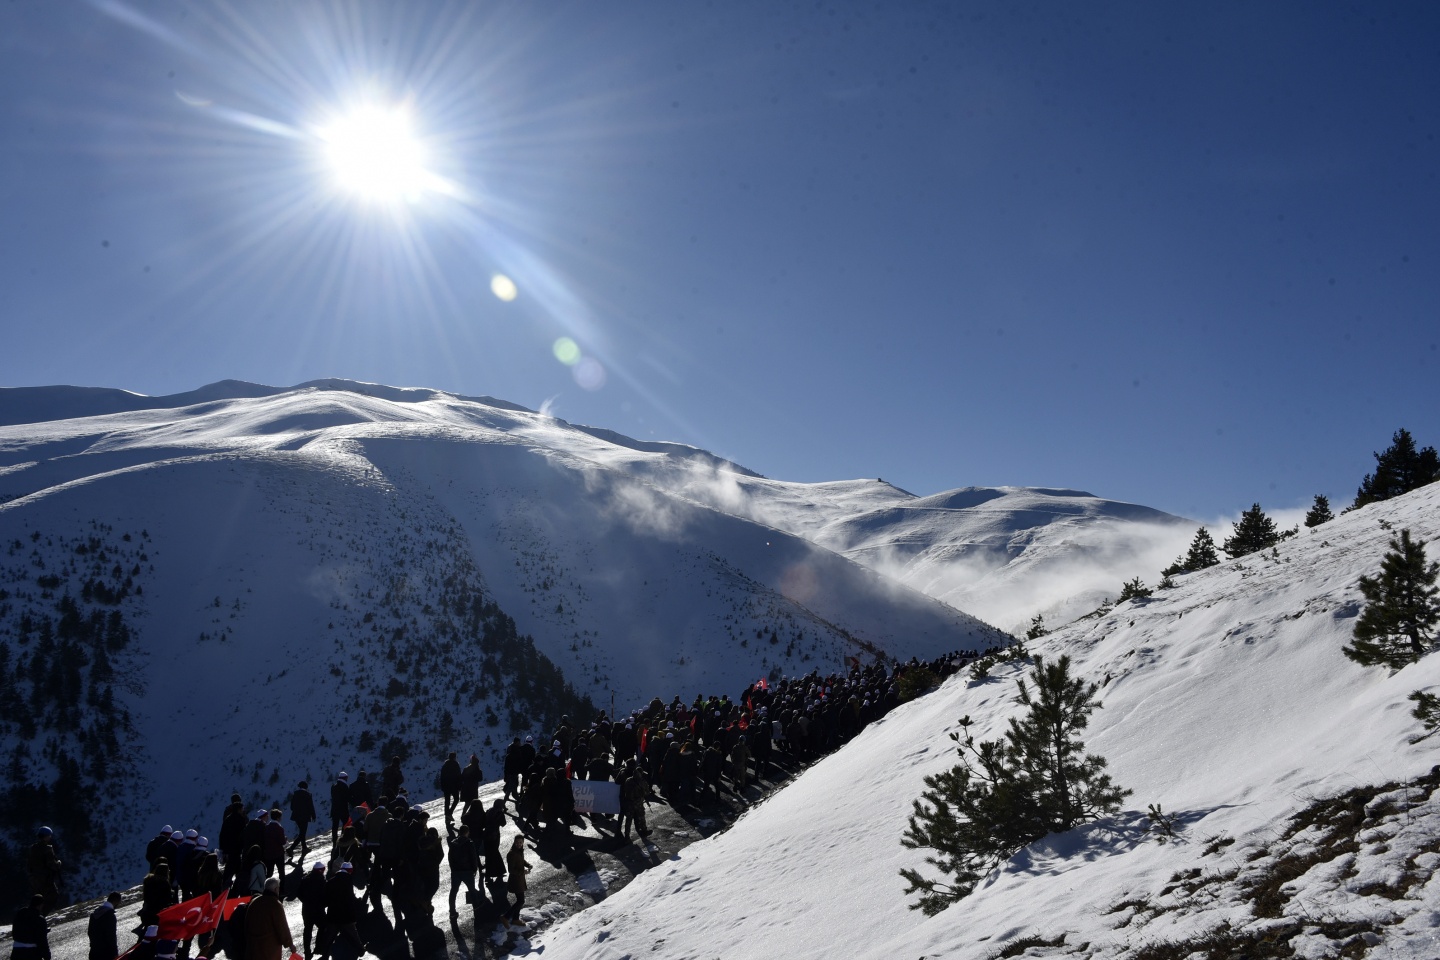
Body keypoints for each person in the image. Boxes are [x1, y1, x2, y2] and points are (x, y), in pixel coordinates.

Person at [243, 877, 294, 960]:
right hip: (269, 949)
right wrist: (290, 945)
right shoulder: (275, 904)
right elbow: (282, 928)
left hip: (253, 948)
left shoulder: (254, 902)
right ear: (276, 889)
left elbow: (246, 924)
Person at [297, 862, 328, 959]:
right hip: (318, 910)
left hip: (307, 910)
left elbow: (299, 893)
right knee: (323, 926)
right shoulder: (322, 881)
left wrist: (306, 901)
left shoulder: (305, 879)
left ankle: (307, 951)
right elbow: (325, 896)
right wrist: (324, 904)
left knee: (307, 930)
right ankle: (318, 947)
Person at [27, 827, 62, 912]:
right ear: (46, 836)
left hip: (34, 879)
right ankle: (42, 915)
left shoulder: (33, 848)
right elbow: (52, 865)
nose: (50, 837)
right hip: (46, 879)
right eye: (49, 835)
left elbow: (29, 864)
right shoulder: (47, 848)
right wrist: (58, 863)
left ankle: (35, 914)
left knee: (38, 898)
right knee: (53, 896)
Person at [446, 825, 478, 916]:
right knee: (472, 890)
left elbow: (450, 858)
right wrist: (474, 869)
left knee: (453, 891)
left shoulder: (453, 843)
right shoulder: (469, 843)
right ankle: (476, 908)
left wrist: (453, 869)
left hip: (456, 871)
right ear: (467, 832)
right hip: (467, 870)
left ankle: (452, 910)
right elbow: (473, 857)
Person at [503, 837, 530, 933]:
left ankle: (515, 919)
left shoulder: (519, 851)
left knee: (520, 900)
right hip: (516, 880)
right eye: (517, 842)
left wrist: (528, 865)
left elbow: (521, 861)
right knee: (521, 900)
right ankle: (506, 917)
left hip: (520, 879)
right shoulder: (512, 854)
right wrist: (523, 872)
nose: (519, 844)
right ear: (514, 842)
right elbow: (511, 870)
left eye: (521, 842)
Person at [11, 894, 50, 960]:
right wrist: (47, 956)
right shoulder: (40, 919)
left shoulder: (20, 913)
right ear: (40, 905)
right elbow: (42, 941)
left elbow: (14, 933)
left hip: (16, 951)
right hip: (32, 953)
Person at [87, 891, 122, 960]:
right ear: (116, 901)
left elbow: (90, 932)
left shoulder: (94, 914)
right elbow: (111, 936)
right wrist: (115, 953)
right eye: (119, 902)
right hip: (106, 954)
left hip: (93, 952)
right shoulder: (110, 916)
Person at [289, 780, 318, 858]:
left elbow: (292, 807)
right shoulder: (308, 795)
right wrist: (313, 816)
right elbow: (311, 807)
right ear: (306, 787)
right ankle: (291, 848)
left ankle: (304, 848)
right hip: (305, 817)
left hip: (296, 817)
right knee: (302, 833)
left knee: (302, 833)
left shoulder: (295, 794)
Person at [439, 752, 462, 826]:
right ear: (454, 757)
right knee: (456, 799)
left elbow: (442, 777)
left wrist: (442, 786)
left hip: (446, 786)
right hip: (454, 786)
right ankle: (449, 813)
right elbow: (459, 776)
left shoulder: (445, 765)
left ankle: (447, 817)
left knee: (447, 801)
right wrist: (460, 786)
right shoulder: (456, 764)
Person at [329, 772, 350, 844]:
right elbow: (347, 798)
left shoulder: (333, 787)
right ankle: (343, 838)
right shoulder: (345, 786)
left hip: (334, 809)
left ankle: (334, 841)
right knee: (346, 824)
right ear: (345, 778)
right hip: (343, 809)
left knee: (335, 826)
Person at [459, 754, 482, 819]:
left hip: (465, 789)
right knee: (473, 802)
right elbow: (480, 779)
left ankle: (464, 814)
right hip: (473, 789)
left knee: (468, 803)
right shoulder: (477, 770)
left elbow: (462, 778)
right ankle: (467, 815)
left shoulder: (466, 769)